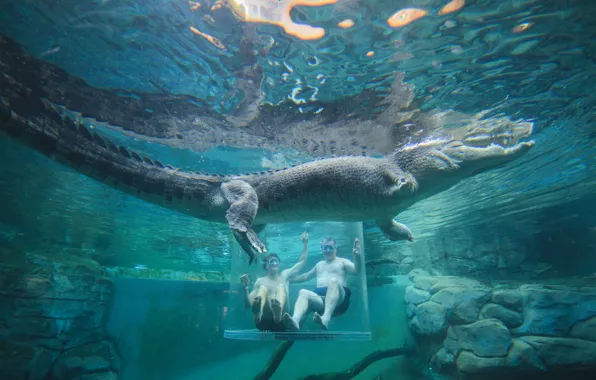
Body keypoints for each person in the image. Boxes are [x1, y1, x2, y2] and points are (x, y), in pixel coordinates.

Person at [283, 236, 361, 331]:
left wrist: (357, 256)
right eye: (325, 248)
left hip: (339, 302)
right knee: (303, 292)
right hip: (321, 303)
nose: (327, 250)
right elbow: (306, 276)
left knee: (333, 281)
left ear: (335, 249)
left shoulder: (342, 262)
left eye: (330, 247)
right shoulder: (319, 265)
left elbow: (357, 269)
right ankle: (295, 320)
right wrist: (290, 280)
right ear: (322, 249)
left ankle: (326, 319)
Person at [240, 231, 309, 332]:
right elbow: (248, 305)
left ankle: (278, 313)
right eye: (272, 261)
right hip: (263, 322)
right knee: (262, 289)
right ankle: (258, 314)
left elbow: (301, 263)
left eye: (277, 261)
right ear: (266, 266)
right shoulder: (260, 281)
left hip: (282, 322)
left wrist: (305, 244)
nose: (275, 263)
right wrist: (245, 287)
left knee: (281, 287)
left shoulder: (284, 275)